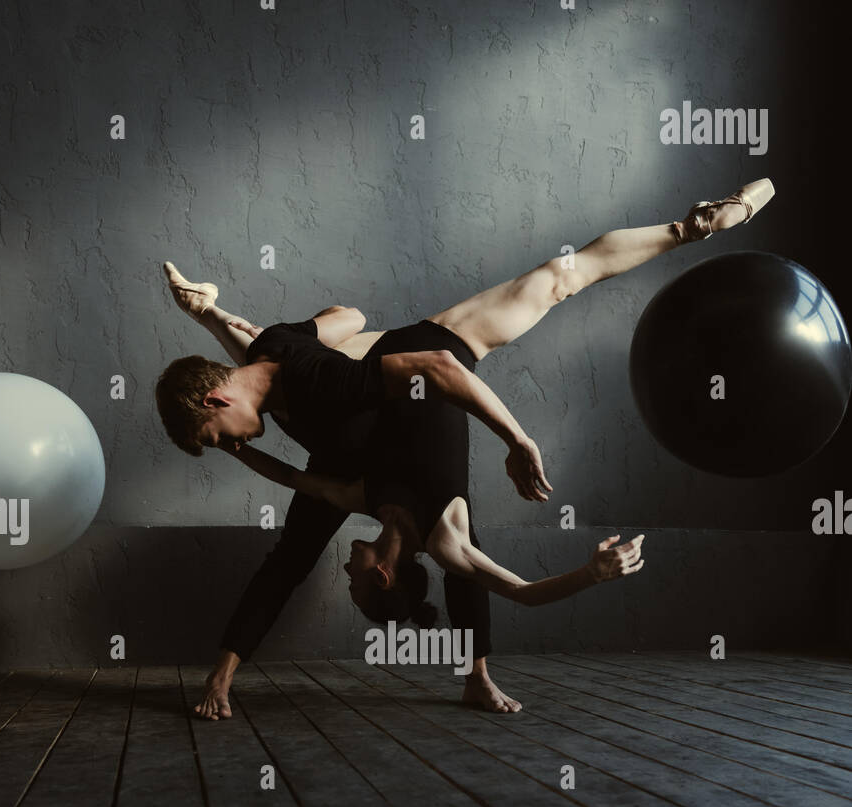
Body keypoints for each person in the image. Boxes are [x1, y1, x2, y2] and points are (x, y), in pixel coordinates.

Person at [156, 178, 774, 717]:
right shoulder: (415, 520)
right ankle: (473, 674)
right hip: (384, 387)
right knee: (553, 281)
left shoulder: (343, 459)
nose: (226, 449)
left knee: (562, 276)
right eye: (357, 580)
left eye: (216, 440)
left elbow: (341, 372)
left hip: (409, 363)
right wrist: (593, 570)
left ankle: (690, 226)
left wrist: (518, 438)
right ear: (384, 572)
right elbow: (299, 357)